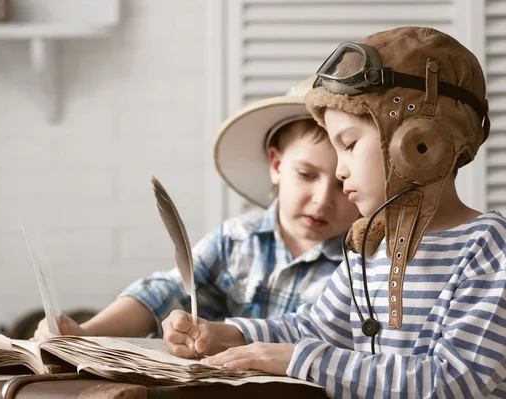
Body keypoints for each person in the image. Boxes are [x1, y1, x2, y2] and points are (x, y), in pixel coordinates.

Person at [162, 26, 506, 397]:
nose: (340, 169)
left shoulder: (488, 248)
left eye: (349, 144)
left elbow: (454, 381)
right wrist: (229, 335)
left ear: (421, 141)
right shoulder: (371, 244)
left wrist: (303, 360)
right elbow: (316, 328)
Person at [33, 78, 360, 340]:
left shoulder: (362, 261)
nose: (322, 199)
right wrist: (87, 332)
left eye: (341, 183)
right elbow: (166, 291)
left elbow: (325, 334)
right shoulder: (235, 240)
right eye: (306, 175)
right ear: (276, 165)